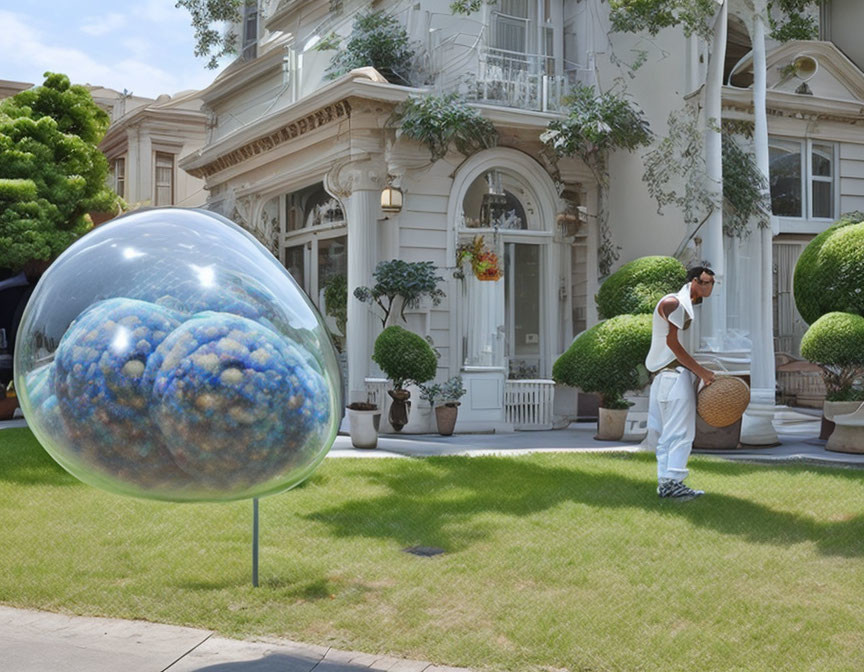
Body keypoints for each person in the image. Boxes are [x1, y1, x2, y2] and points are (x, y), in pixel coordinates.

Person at [645, 266, 717, 501]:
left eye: (712, 283)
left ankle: (666, 484)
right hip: (673, 376)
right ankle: (673, 483)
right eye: (705, 282)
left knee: (668, 435)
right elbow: (673, 345)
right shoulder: (674, 303)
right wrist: (703, 373)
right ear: (693, 281)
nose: (709, 287)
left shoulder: (683, 304)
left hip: (664, 377)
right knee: (680, 433)